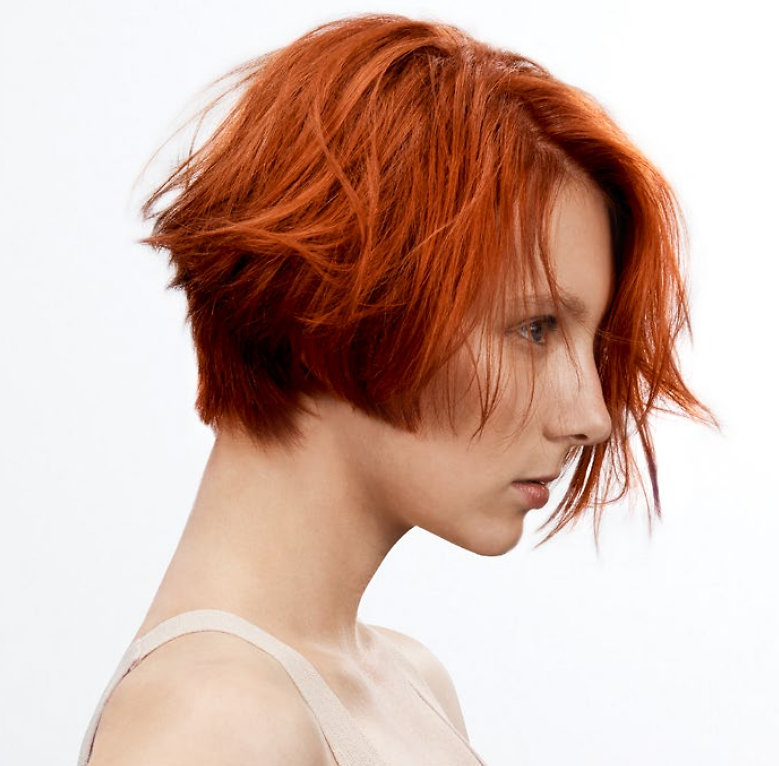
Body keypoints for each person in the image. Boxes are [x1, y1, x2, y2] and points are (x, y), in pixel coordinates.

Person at [77, 12, 716, 765]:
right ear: (344, 298)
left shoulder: (408, 682)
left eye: (589, 342)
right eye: (535, 328)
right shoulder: (214, 723)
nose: (592, 416)